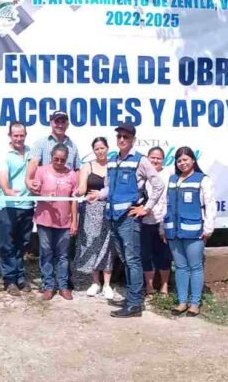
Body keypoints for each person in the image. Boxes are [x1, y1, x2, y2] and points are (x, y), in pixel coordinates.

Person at [88, 122, 165, 318]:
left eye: (126, 137)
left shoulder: (141, 161)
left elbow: (158, 185)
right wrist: (98, 195)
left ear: (133, 139)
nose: (122, 139)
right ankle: (132, 297)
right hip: (113, 217)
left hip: (129, 220)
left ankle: (135, 304)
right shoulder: (113, 160)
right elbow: (109, 188)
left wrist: (145, 208)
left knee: (132, 260)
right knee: (125, 259)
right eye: (119, 136)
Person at [162, 147, 216, 316]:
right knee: (180, 267)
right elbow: (165, 205)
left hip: (194, 232)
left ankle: (195, 303)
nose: (182, 163)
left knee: (195, 267)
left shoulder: (203, 180)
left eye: (186, 159)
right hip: (173, 232)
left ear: (193, 160)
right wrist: (162, 228)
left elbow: (211, 206)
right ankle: (182, 301)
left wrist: (208, 229)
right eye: (179, 160)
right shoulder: (172, 179)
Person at [31, 144, 79, 301]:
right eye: (56, 159)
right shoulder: (41, 171)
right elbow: (34, 192)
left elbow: (74, 201)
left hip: (64, 222)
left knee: (64, 256)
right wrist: (45, 194)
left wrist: (74, 222)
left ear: (67, 159)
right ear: (51, 157)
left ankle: (63, 286)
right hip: (44, 220)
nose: (59, 162)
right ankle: (48, 286)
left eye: (62, 160)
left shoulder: (72, 175)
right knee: (46, 253)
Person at [0, 121, 34, 296]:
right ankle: (9, 280)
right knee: (7, 244)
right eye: (15, 135)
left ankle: (20, 277)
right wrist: (7, 190)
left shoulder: (30, 152)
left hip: (27, 204)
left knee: (22, 243)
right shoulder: (4, 154)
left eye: (21, 135)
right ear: (9, 136)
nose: (19, 138)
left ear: (25, 135)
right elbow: (3, 175)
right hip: (8, 205)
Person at [75, 137, 115, 300]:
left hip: (109, 211)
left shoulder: (114, 165)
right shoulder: (87, 166)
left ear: (107, 148)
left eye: (102, 148)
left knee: (107, 247)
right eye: (97, 148)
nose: (100, 151)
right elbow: (82, 187)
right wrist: (77, 192)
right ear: (94, 150)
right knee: (92, 243)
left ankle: (107, 284)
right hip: (90, 210)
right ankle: (95, 282)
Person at [141, 146, 171, 296]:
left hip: (163, 220)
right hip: (145, 221)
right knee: (146, 255)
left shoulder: (169, 174)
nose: (155, 160)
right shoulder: (142, 174)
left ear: (163, 160)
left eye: (158, 158)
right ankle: (149, 286)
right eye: (152, 157)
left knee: (164, 254)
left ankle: (164, 286)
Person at [26, 110, 80, 193]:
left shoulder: (73, 146)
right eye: (57, 122)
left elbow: (76, 170)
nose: (60, 125)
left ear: (67, 125)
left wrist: (76, 188)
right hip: (45, 194)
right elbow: (33, 163)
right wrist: (28, 180)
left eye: (63, 122)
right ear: (51, 123)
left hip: (66, 194)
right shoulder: (40, 144)